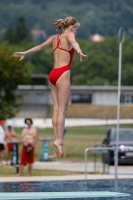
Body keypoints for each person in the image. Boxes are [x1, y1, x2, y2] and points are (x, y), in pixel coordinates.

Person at [13, 16, 87, 157]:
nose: (76, 31)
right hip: (63, 73)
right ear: (72, 27)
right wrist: (79, 51)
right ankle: (59, 140)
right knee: (62, 110)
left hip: (52, 75)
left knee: (56, 109)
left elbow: (40, 47)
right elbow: (74, 42)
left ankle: (56, 138)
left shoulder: (55, 37)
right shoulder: (69, 34)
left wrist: (25, 52)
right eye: (76, 28)